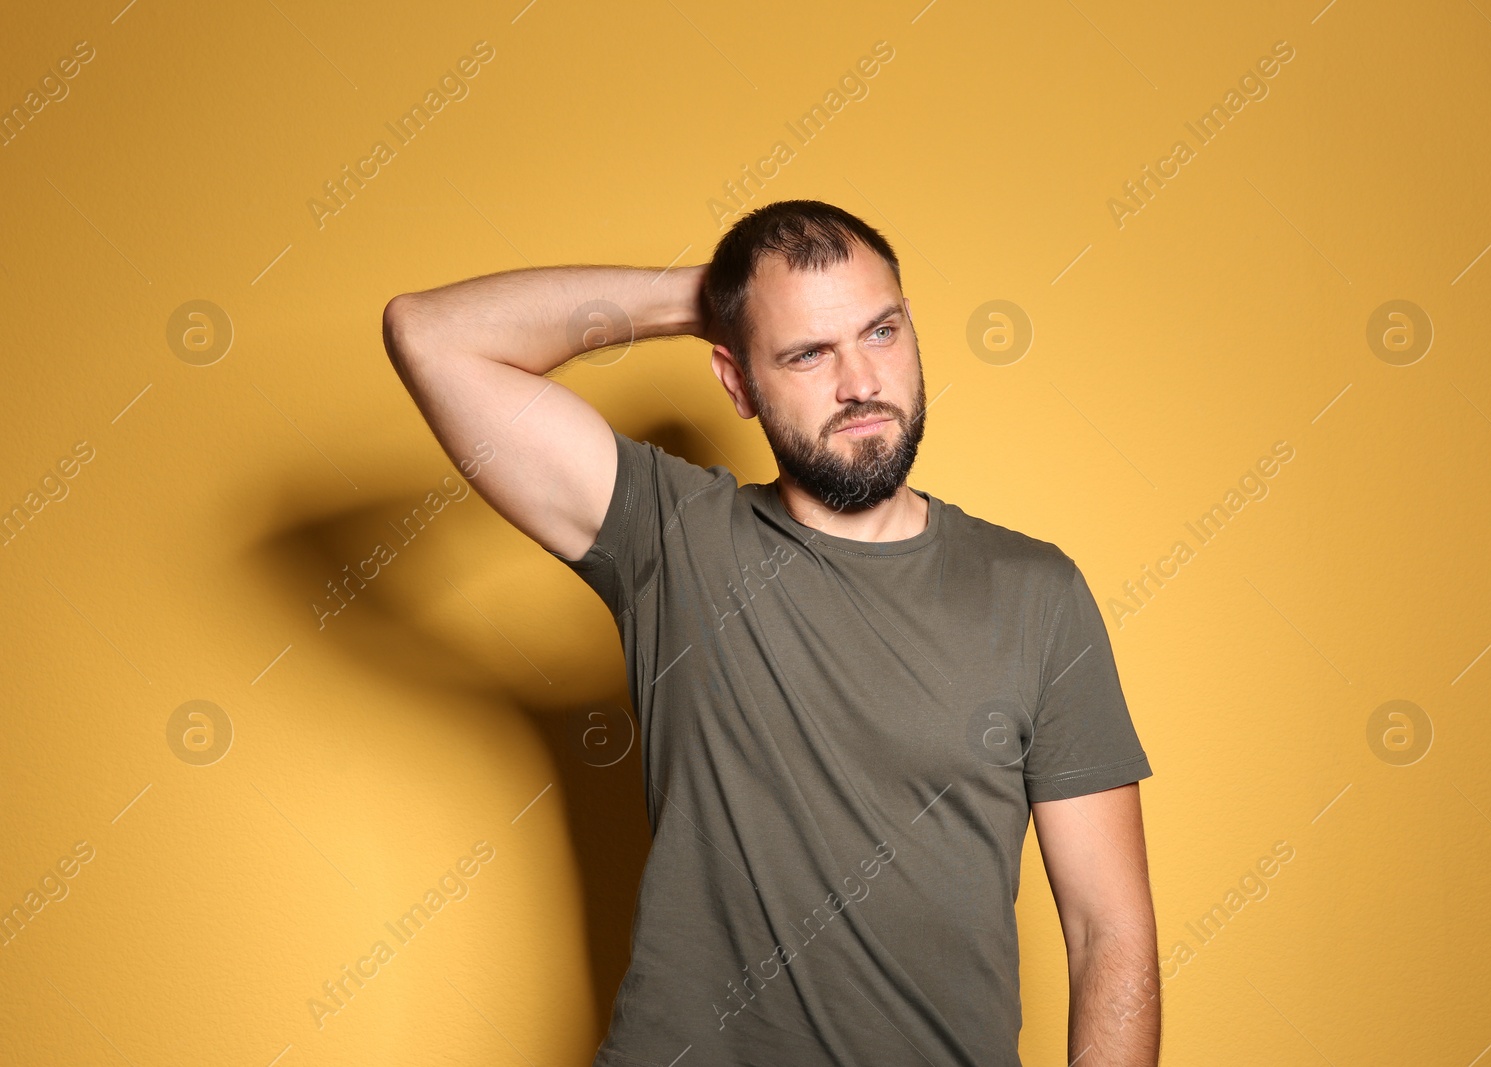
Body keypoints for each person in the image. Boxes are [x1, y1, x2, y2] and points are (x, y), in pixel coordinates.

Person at [381, 200, 1160, 1066]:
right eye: (807, 352)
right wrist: (708, 293)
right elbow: (430, 336)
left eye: (882, 331)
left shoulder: (1036, 593)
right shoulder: (670, 538)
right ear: (738, 382)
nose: (861, 381)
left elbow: (1109, 932)